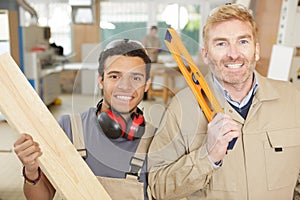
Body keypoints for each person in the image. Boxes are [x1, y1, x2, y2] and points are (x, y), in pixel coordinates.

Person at [147, 4, 300, 200]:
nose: (233, 54)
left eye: (243, 41)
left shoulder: (292, 100)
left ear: (256, 49)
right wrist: (207, 157)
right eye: (221, 44)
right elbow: (158, 188)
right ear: (205, 54)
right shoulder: (181, 108)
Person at [14, 39, 156, 200]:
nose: (125, 86)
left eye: (136, 78)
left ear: (147, 84)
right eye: (115, 76)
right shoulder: (69, 128)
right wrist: (31, 171)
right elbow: (42, 197)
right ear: (101, 80)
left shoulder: (155, 139)